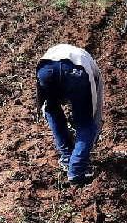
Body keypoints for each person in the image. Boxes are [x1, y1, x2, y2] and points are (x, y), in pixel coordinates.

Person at [36, 44, 104, 186]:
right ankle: (77, 171)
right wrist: (92, 133)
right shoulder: (93, 71)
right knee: (85, 123)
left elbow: (44, 104)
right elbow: (95, 111)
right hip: (75, 72)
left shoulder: (56, 51)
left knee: (52, 110)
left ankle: (67, 157)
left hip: (45, 69)